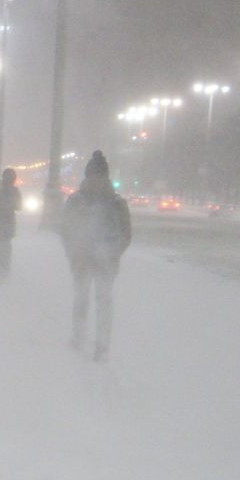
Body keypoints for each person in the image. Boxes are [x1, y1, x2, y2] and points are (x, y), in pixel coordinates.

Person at [60, 151, 133, 360]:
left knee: (81, 297)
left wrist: (72, 251)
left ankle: (78, 337)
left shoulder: (75, 200)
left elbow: (65, 229)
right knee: (104, 301)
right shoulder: (117, 202)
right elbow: (126, 234)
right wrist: (113, 253)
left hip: (82, 257)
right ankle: (102, 346)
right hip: (106, 259)